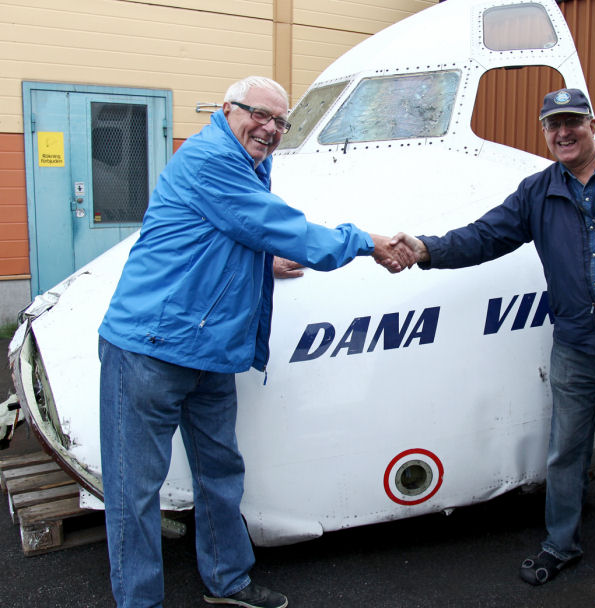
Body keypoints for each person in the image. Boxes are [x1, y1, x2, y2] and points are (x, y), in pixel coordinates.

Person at [97, 75, 412, 608]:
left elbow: (217, 232)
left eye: (280, 122)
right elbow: (278, 225)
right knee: (136, 492)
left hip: (209, 352)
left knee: (221, 473)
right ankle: (139, 602)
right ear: (226, 110)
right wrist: (367, 241)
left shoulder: (250, 163)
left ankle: (227, 581)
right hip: (148, 349)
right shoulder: (211, 159)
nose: (269, 129)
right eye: (258, 114)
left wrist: (264, 261)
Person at [390, 88, 595, 597]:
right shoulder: (538, 191)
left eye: (572, 121)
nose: (563, 133)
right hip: (575, 347)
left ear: (592, 123)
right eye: (553, 125)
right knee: (565, 455)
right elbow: (485, 236)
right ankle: (561, 544)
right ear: (546, 133)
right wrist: (427, 249)